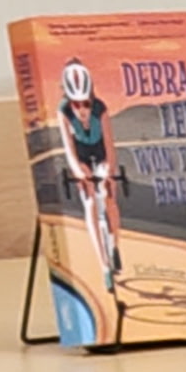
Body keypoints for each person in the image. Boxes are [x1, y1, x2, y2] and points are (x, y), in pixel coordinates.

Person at [56, 58, 122, 282]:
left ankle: (114, 245)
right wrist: (79, 171)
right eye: (77, 104)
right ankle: (104, 265)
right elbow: (69, 150)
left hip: (100, 150)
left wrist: (108, 173)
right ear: (68, 100)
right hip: (82, 154)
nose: (82, 109)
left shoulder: (101, 108)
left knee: (109, 196)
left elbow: (110, 147)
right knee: (90, 202)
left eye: (86, 103)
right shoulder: (63, 111)